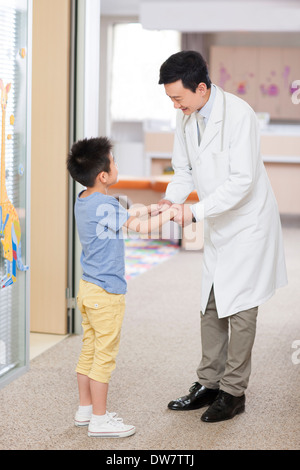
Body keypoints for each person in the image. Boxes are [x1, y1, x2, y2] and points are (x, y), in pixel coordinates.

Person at [157, 50, 288, 422]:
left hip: (248, 224)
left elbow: (242, 181)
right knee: (211, 302)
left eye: (178, 98)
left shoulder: (239, 115)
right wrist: (171, 200)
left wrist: (193, 211)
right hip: (219, 223)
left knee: (241, 309)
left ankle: (233, 392)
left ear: (201, 88)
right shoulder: (187, 118)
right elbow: (183, 170)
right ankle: (208, 383)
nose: (175, 105)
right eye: (170, 99)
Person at [67, 136, 177, 437]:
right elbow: (140, 229)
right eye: (114, 162)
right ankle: (100, 421)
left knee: (89, 350)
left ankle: (85, 411)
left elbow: (126, 217)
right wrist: (171, 213)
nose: (117, 165)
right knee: (104, 356)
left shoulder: (86, 199)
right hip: (107, 293)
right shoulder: (105, 203)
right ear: (104, 175)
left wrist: (151, 208)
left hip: (88, 290)